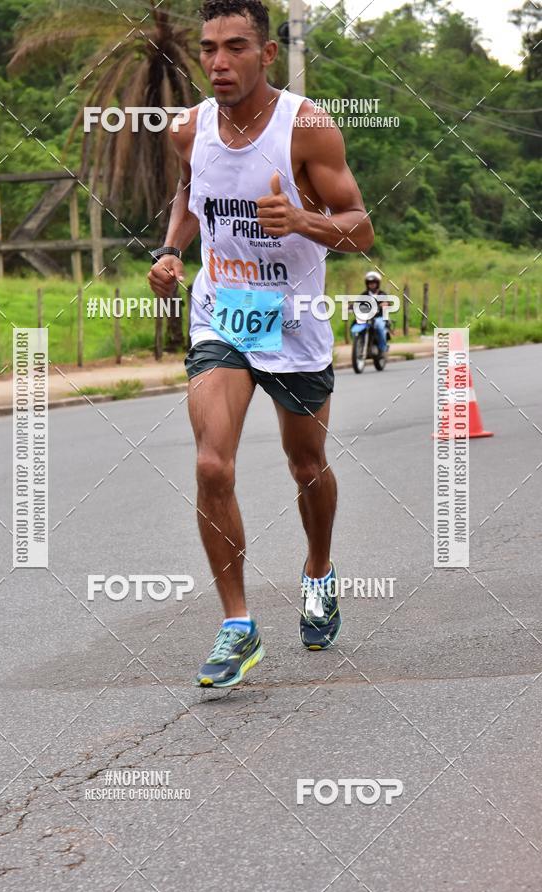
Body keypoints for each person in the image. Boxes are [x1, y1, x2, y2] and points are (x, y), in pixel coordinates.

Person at [148, 0, 373, 688]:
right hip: (222, 313)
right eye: (208, 48)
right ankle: (238, 625)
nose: (218, 62)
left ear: (267, 53)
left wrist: (302, 220)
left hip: (295, 317)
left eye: (236, 47)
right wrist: (170, 249)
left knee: (306, 465)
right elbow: (190, 193)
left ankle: (318, 570)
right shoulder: (188, 129)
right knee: (211, 464)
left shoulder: (306, 127)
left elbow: (360, 227)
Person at [360, 271, 390, 355]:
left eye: (374, 283)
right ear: (367, 284)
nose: (372, 285)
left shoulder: (382, 294)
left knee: (380, 327)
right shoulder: (364, 294)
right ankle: (359, 344)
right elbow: (358, 303)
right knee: (355, 325)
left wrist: (385, 304)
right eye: (370, 283)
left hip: (379, 317)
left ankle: (382, 348)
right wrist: (350, 307)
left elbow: (387, 303)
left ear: (377, 284)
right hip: (366, 318)